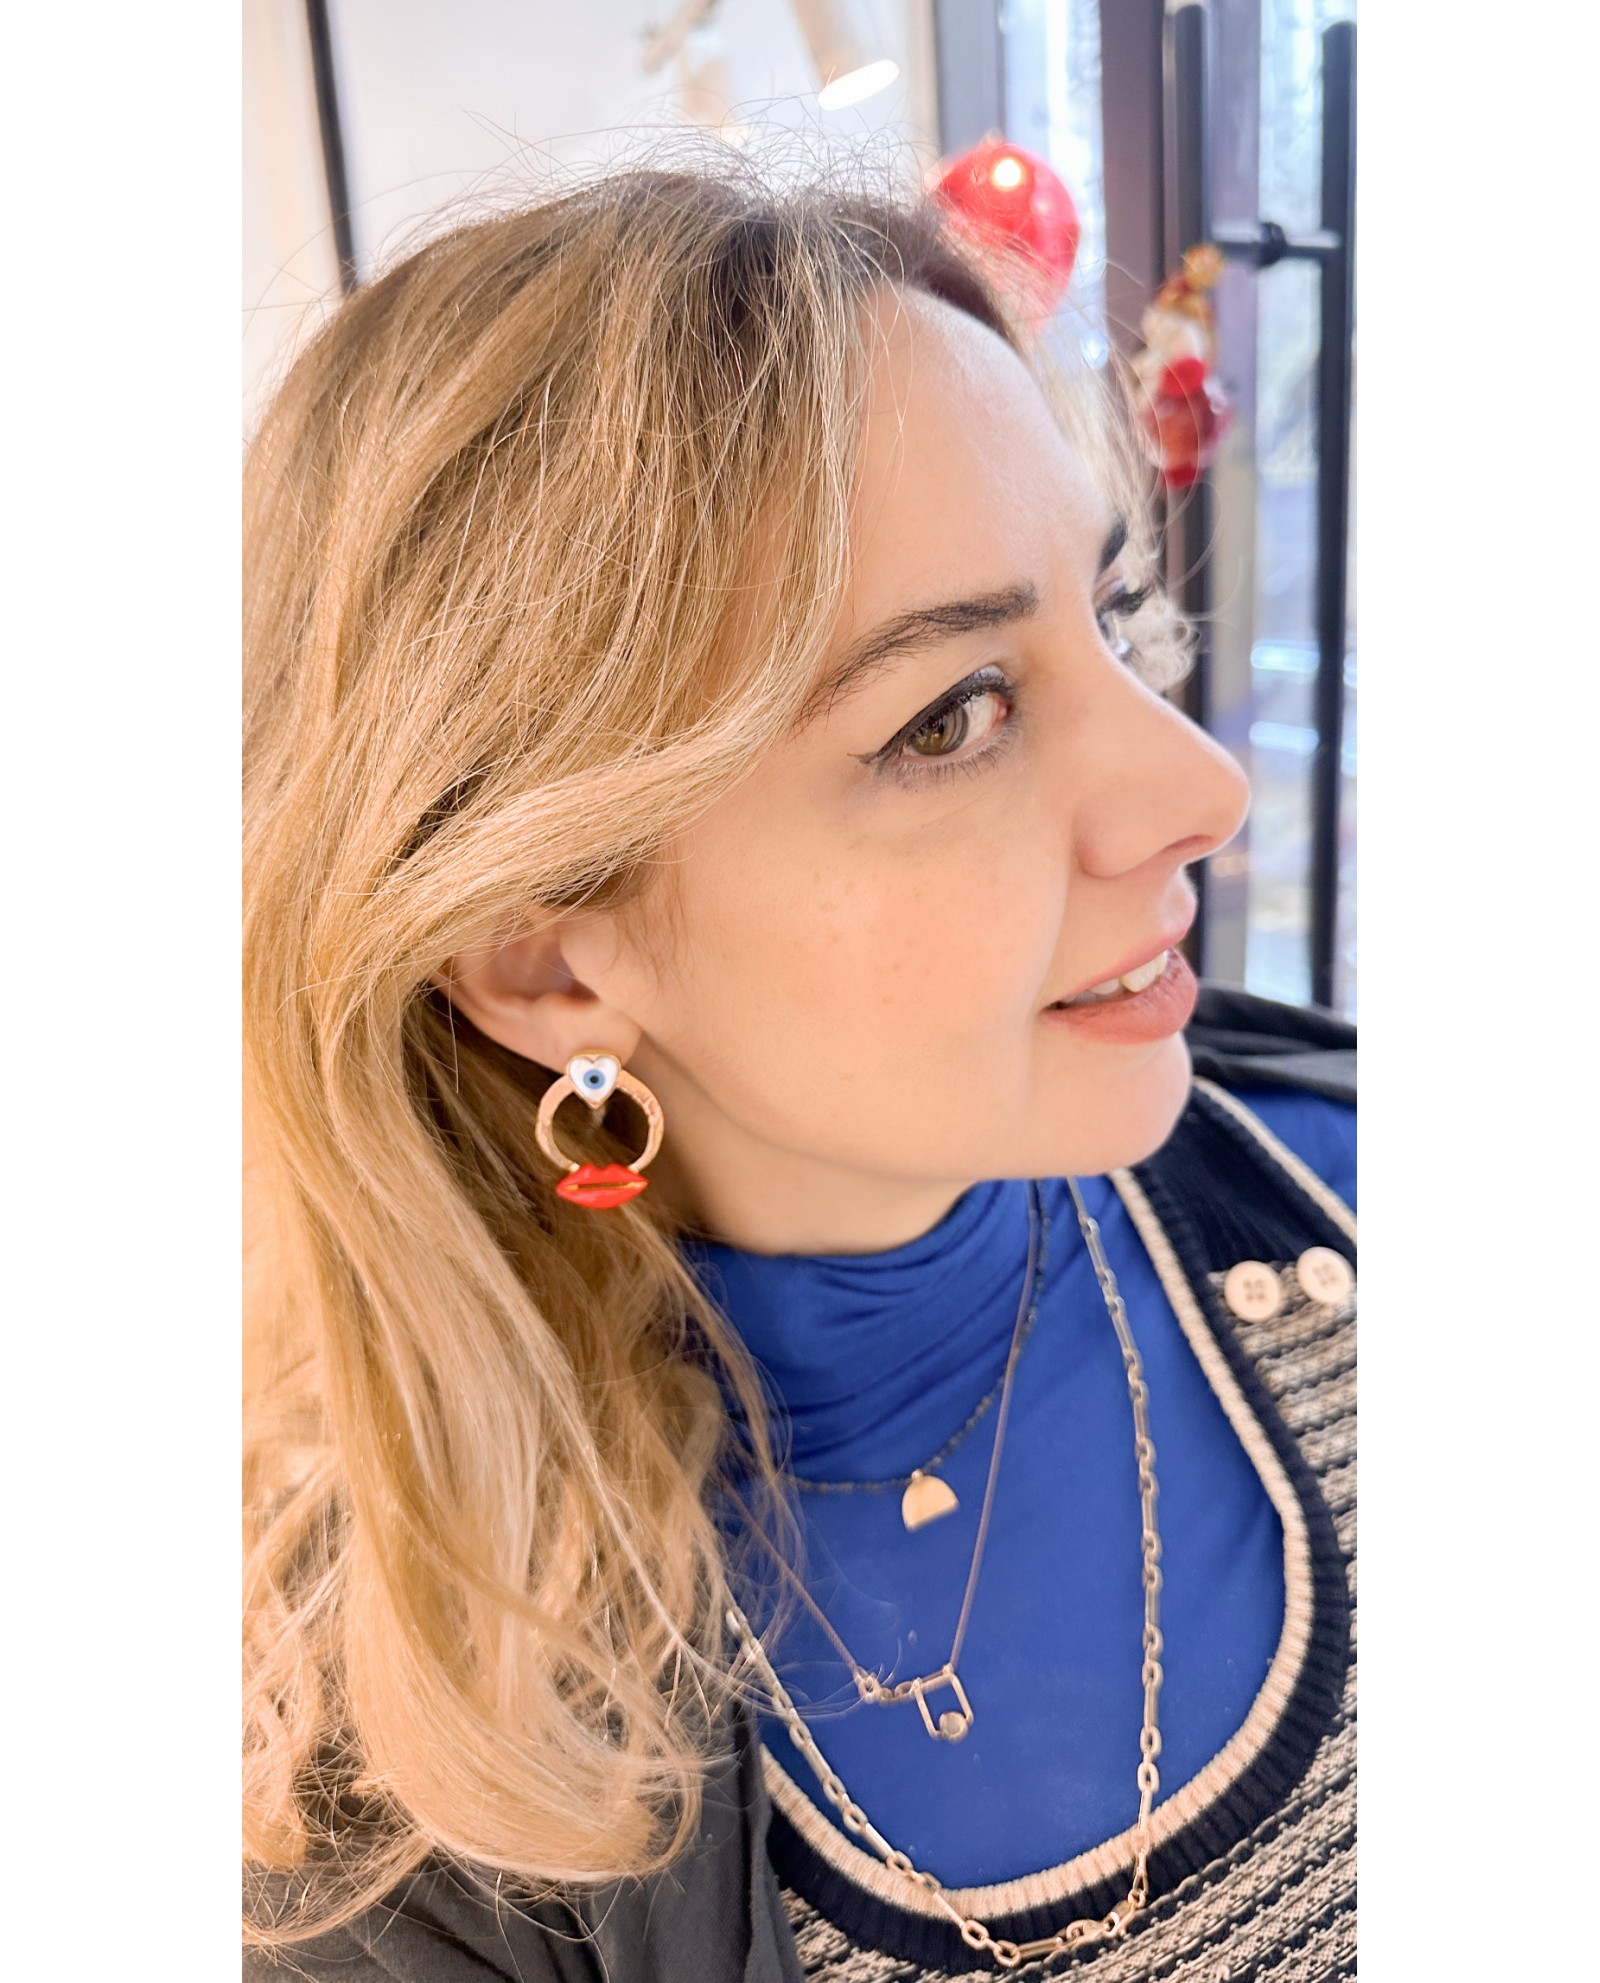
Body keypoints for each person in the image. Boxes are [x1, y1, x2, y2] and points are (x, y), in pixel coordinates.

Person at [243, 161, 1356, 1981]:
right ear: (544, 958)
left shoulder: (1359, 1200)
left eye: (1111, 613)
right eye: (954, 715)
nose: (1200, 790)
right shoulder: (383, 1783)